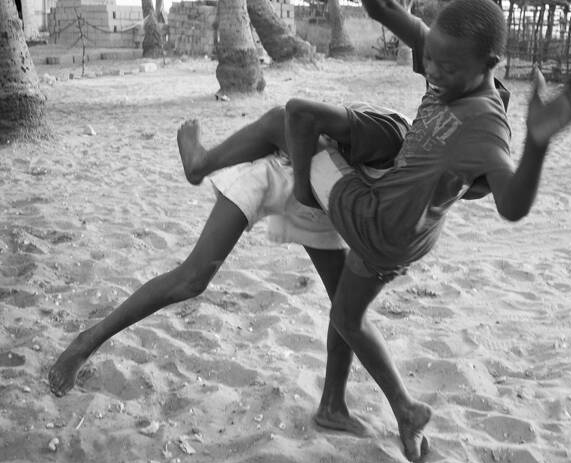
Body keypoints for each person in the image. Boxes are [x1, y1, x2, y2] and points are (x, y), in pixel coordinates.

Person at [187, 0, 571, 463]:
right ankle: (381, 409)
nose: (434, 70)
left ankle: (270, 184)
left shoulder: (484, 124)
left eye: (447, 67)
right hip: (404, 229)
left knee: (288, 119)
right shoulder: (451, 64)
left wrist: (537, 145)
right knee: (347, 313)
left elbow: (512, 205)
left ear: (489, 67)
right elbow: (380, 7)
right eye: (431, 59)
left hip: (374, 219)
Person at [47, 101, 410, 438]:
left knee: (344, 306)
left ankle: (333, 405)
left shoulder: (430, 180)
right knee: (192, 279)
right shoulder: (393, 135)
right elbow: (281, 118)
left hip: (319, 204)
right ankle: (86, 342)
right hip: (276, 176)